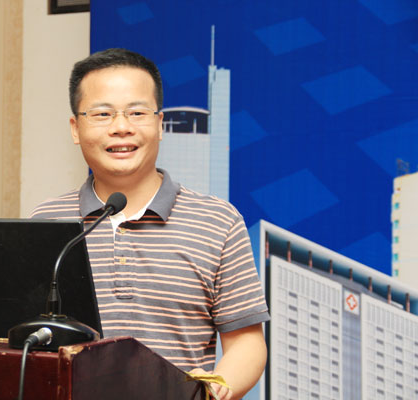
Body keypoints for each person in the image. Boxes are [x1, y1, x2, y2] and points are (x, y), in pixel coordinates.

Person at [31, 48, 270, 400]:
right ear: (75, 128)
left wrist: (211, 392)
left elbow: (247, 343)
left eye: (137, 113)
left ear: (159, 125)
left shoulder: (218, 221)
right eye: (102, 114)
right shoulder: (46, 223)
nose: (121, 127)